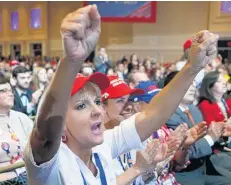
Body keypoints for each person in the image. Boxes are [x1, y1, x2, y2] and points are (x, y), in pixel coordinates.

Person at [23, 5, 219, 185]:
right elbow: (44, 136)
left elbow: (151, 115)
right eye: (81, 105)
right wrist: (71, 62)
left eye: (98, 102)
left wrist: (192, 67)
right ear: (61, 127)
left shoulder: (103, 146)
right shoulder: (51, 167)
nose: (98, 111)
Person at [165, 71, 230, 185]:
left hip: (205, 165)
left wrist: (220, 133)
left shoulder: (193, 109)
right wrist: (211, 137)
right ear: (173, 87)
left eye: (194, 83)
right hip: (186, 174)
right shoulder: (169, 116)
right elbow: (187, 151)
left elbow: (206, 138)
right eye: (188, 83)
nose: (193, 86)